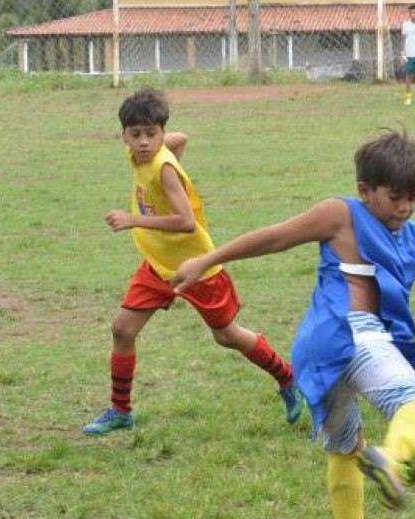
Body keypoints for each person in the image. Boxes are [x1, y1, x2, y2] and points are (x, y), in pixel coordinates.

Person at [168, 131, 415, 519]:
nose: (405, 208)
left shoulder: (407, 233)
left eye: (412, 198)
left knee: (344, 448)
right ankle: (391, 457)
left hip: (318, 353)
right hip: (351, 335)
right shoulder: (342, 213)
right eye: (395, 198)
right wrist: (208, 259)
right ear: (365, 190)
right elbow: (274, 238)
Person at [84, 88, 301, 435]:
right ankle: (121, 410)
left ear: (159, 131)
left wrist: (133, 219)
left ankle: (288, 378)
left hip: (197, 267)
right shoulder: (139, 154)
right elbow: (181, 137)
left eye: (151, 134)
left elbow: (186, 221)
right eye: (136, 134)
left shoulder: (163, 168)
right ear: (123, 135)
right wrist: (164, 141)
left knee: (227, 336)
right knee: (122, 329)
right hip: (158, 264)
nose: (143, 143)